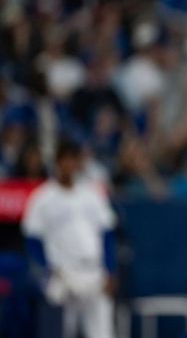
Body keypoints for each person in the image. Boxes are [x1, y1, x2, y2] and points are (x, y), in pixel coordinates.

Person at [21, 140, 117, 338]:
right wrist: (46, 272)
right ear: (57, 162)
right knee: (60, 332)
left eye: (73, 160)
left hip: (94, 271)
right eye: (64, 160)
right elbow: (32, 239)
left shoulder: (92, 194)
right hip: (63, 274)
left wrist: (110, 270)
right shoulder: (43, 197)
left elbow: (107, 233)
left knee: (102, 333)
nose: (69, 165)